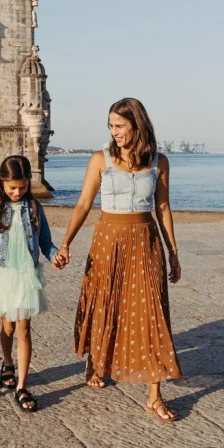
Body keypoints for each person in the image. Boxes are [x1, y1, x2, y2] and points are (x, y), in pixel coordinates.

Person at [53, 98, 183, 421]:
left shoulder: (159, 162)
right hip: (108, 240)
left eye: (120, 126)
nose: (115, 132)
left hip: (145, 241)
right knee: (105, 303)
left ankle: (154, 395)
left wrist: (173, 253)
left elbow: (163, 208)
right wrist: (66, 243)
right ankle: (97, 361)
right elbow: (84, 204)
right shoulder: (101, 159)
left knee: (152, 313)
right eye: (111, 126)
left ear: (137, 125)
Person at [0, 155, 60, 413]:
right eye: (12, 188)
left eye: (23, 187)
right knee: (7, 327)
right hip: (3, 275)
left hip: (27, 274)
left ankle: (22, 386)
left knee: (24, 329)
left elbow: (46, 243)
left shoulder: (36, 208)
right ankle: (7, 362)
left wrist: (55, 256)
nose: (18, 192)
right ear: (2, 184)